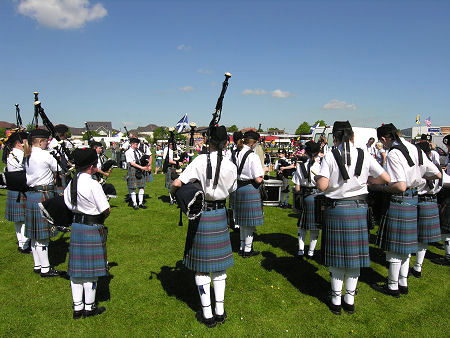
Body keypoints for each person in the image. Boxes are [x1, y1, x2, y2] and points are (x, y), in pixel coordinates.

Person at [315, 121, 390, 315]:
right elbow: (386, 178)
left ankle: (335, 300)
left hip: (337, 209)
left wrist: (318, 178)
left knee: (337, 259)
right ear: (353, 137)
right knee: (354, 259)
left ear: (336, 138)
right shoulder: (365, 154)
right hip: (358, 209)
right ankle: (350, 300)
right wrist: (369, 181)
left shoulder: (331, 155)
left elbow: (323, 186)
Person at [172, 126, 237, 328]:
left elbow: (178, 182)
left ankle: (207, 314)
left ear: (208, 141)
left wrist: (173, 191)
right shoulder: (231, 165)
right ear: (226, 143)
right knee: (219, 267)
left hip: (201, 215)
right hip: (219, 214)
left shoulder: (200, 160)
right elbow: (232, 189)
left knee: (201, 269)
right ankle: (220, 311)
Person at [372, 124, 441, 298]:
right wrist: (417, 178)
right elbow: (437, 174)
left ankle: (393, 286)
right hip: (413, 199)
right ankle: (403, 282)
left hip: (399, 201)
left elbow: (400, 185)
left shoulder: (394, 153)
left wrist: (379, 189)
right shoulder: (415, 148)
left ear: (384, 138)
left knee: (395, 248)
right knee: (406, 246)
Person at [64, 148, 110, 319]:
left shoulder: (71, 183)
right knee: (90, 271)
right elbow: (106, 209)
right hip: (91, 227)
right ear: (92, 166)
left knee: (76, 271)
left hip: (76, 226)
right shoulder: (93, 184)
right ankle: (89, 308)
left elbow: (67, 204)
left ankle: (77, 308)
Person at [25, 128, 64, 277]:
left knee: (35, 235)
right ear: (40, 142)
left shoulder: (27, 155)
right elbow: (59, 169)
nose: (47, 144)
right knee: (43, 236)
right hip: (44, 194)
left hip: (32, 195)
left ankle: (37, 265)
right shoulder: (45, 155)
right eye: (46, 141)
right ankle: (46, 269)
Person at [410, 142, 442, 277]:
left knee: (412, 237)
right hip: (432, 202)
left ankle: (406, 270)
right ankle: (418, 267)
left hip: (418, 201)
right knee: (423, 239)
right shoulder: (437, 168)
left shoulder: (417, 168)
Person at [234, 130, 264, 257]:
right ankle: (247, 249)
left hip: (239, 188)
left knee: (242, 221)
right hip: (250, 188)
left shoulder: (236, 153)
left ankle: (242, 246)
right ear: (253, 143)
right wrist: (264, 172)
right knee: (250, 222)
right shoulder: (253, 156)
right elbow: (258, 179)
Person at [292, 141, 322, 259]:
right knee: (315, 226)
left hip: (304, 197)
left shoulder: (300, 166)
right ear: (317, 153)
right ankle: (311, 252)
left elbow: (297, 187)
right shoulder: (320, 167)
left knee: (302, 226)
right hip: (316, 197)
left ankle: (300, 250)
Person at [4, 131, 31, 253]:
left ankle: (21, 243)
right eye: (26, 141)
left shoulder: (11, 154)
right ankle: (25, 244)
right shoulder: (20, 155)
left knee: (18, 221)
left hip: (13, 190)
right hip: (21, 190)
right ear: (20, 143)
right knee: (24, 219)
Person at [125, 138, 150, 210]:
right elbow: (132, 163)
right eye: (135, 144)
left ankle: (141, 203)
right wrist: (142, 168)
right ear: (131, 144)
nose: (137, 146)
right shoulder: (128, 152)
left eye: (137, 144)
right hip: (133, 170)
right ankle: (134, 204)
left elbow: (142, 159)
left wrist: (146, 163)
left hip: (140, 169)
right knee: (133, 188)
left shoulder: (138, 151)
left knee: (141, 187)